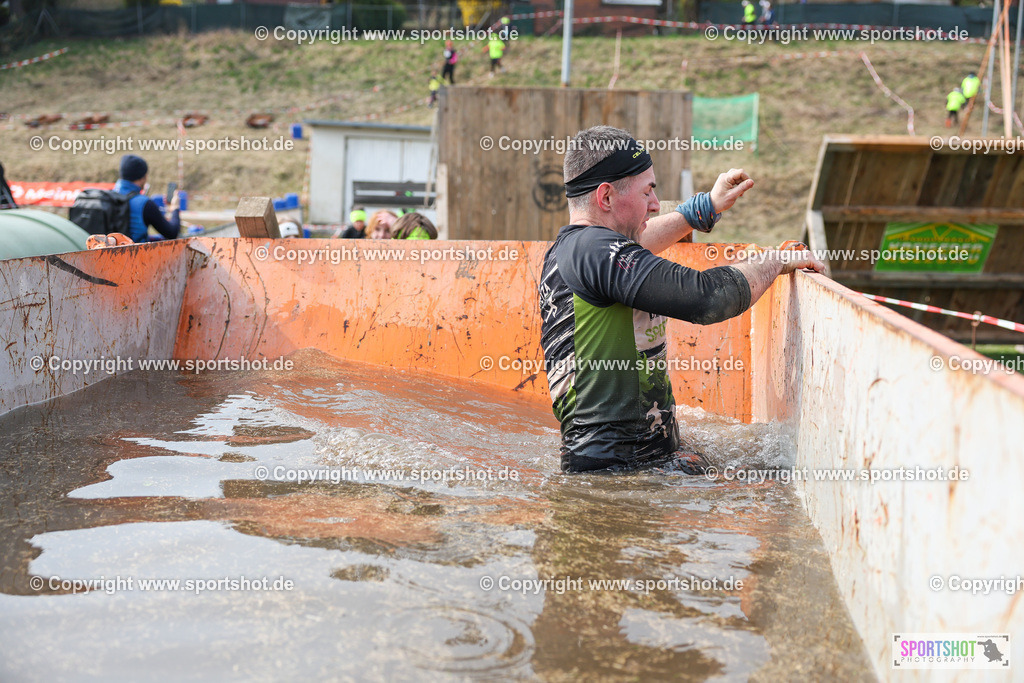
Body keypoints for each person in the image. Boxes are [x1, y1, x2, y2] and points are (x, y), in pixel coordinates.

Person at [538, 125, 824, 474]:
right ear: (607, 198)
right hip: (619, 477)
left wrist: (702, 209)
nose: (656, 205)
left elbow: (635, 247)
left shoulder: (575, 250)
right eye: (647, 193)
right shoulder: (596, 252)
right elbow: (708, 298)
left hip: (626, 463)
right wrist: (776, 259)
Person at [115, 154, 180, 243]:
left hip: (108, 254)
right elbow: (172, 233)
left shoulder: (108, 197)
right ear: (143, 177)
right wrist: (174, 208)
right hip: (135, 255)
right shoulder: (145, 204)